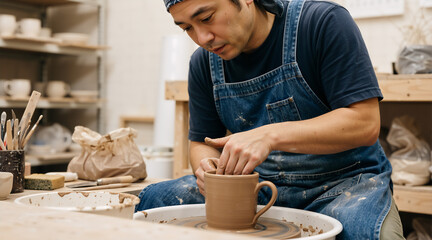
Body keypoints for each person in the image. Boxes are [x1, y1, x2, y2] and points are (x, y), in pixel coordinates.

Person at [135, 0, 405, 239]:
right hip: (257, 189)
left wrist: (269, 135)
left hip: (343, 185)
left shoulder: (321, 22)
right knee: (155, 201)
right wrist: (207, 169)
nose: (203, 37)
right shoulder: (203, 63)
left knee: (370, 234)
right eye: (187, 28)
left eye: (206, 18)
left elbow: (364, 123)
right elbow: (201, 141)